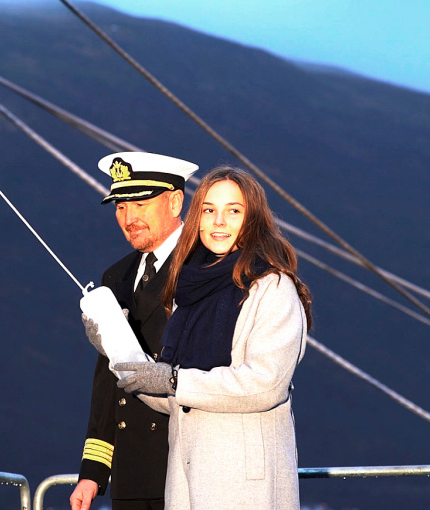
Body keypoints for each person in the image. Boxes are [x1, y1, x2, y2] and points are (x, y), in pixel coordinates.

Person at [115, 165, 312, 510]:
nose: (218, 221)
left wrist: (173, 380)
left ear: (253, 220)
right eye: (208, 210)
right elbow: (176, 398)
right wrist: (113, 343)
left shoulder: (273, 287)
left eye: (233, 211)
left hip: (245, 484)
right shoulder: (189, 291)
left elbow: (265, 385)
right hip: (188, 480)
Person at [70, 152, 199, 510]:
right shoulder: (117, 276)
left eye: (140, 204)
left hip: (186, 469)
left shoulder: (204, 266)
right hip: (131, 474)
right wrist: (93, 472)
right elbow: (107, 385)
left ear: (175, 201)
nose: (128, 218)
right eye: (120, 207)